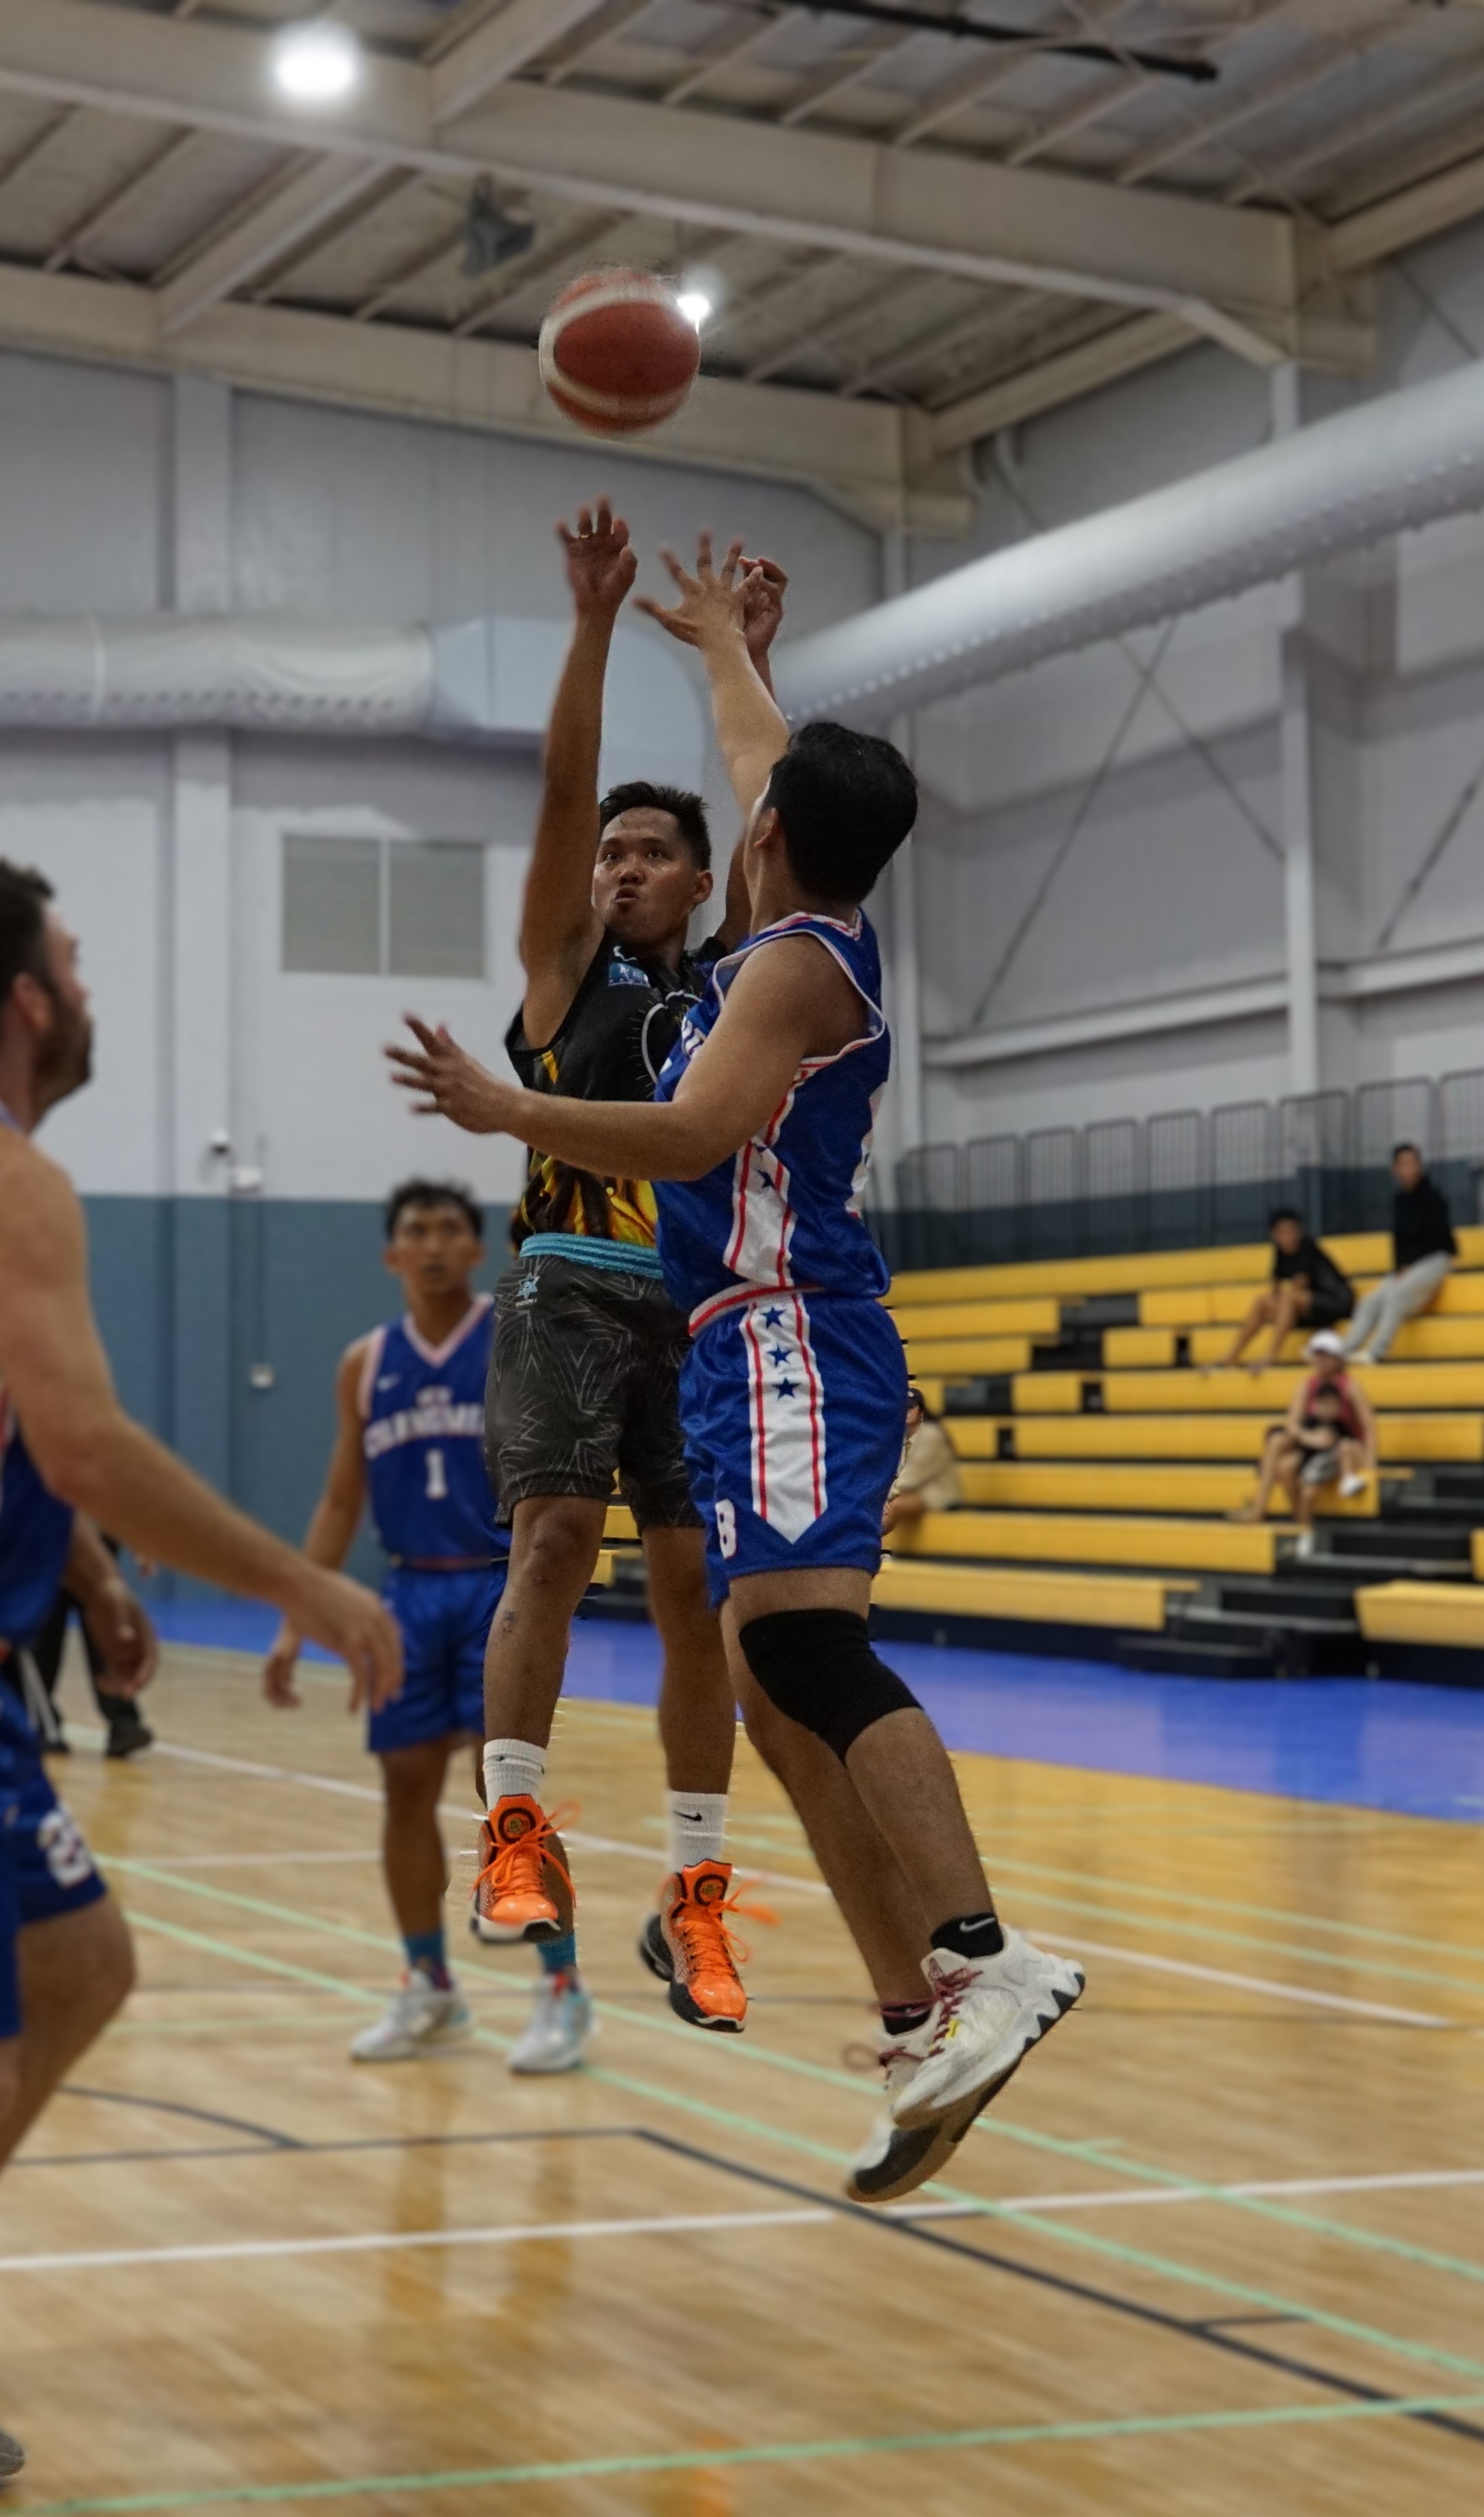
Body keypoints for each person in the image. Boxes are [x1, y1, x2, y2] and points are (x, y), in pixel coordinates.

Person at [389, 531, 1084, 2189]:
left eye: (743, 807)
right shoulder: (804, 922)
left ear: (757, 850)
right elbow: (768, 762)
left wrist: (510, 1110)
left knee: (807, 1662)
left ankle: (984, 1960)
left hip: (782, 1329)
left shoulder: (779, 969)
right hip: (747, 1346)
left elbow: (697, 1134)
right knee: (780, 1691)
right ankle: (920, 2014)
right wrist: (726, 646)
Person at [0, 861, 400, 2482]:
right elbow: (84, 1440)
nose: (89, 990)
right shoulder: (20, 1181)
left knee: (79, 1967)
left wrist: (88, 1580)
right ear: (26, 998)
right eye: (77, 963)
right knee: (62, 1985)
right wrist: (311, 1582)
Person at [447, 499, 786, 2041]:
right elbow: (563, 785)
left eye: (655, 852)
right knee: (557, 1534)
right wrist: (589, 625)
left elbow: (784, 829)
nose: (625, 865)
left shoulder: (731, 983)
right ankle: (515, 1831)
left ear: (698, 880)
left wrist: (748, 659)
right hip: (570, 1278)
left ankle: (695, 1904)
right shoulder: (562, 972)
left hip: (696, 1303)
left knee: (695, 1590)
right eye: (614, 855)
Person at [263, 1180, 581, 2070]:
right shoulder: (363, 1363)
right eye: (415, 1232)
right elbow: (338, 1497)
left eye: (448, 1229)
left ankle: (560, 1987)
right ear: (390, 1255)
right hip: (406, 1596)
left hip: (495, 1587)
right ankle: (428, 1985)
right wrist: (300, 1615)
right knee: (404, 1787)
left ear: (475, 1249)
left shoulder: (510, 1340)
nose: (433, 1244)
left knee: (503, 1793)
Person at [9, 1532, 155, 1760]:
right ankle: (42, 1723)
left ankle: (123, 1721)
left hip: (92, 1539)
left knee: (106, 1632)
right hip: (51, 1546)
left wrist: (139, 1542)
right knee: (44, 1640)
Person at [1230, 1330, 1377, 1557]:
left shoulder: (1350, 1386)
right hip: (1315, 1447)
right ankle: (1293, 1522)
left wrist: (1370, 1463)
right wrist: (1311, 1438)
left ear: (1338, 1358)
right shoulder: (1307, 1385)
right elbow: (1293, 1423)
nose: (1320, 1361)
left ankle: (1283, 1519)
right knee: (1282, 1456)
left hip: (1343, 1447)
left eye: (1325, 1355)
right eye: (1317, 1355)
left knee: (1283, 1450)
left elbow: (1368, 1427)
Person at [1341, 1143, 1456, 1364]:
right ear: (1394, 1170)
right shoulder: (1399, 1201)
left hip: (1435, 1260)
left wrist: (1409, 1265)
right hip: (1409, 1267)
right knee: (1369, 1302)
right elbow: (1399, 1241)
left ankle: (1377, 1351)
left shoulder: (1433, 1197)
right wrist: (1400, 1266)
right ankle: (1344, 1351)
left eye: (1413, 1163)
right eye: (1403, 1164)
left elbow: (1439, 1239)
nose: (1408, 1169)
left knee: (1397, 1295)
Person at [1216, 1208, 1353, 1374]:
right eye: (1284, 1232)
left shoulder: (1307, 1248)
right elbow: (1275, 1287)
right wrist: (1271, 1305)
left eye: (1293, 1231)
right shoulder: (1280, 1251)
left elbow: (1299, 1286)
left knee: (1288, 1298)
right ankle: (1231, 1357)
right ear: (1274, 1235)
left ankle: (1271, 1356)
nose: (1290, 1236)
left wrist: (1280, 1308)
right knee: (1262, 1301)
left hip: (1336, 1303)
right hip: (1309, 1307)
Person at [882, 1386, 963, 1534]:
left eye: (911, 1407)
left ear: (922, 1412)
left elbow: (908, 1479)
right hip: (916, 1490)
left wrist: (887, 1498)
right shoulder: (901, 1437)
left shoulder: (930, 1435)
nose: (906, 1411)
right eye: (904, 1407)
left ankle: (868, 1541)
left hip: (940, 1492)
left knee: (897, 1504)